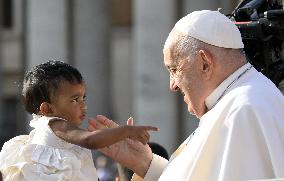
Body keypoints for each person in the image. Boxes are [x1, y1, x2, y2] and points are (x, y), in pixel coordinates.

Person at [89, 10, 284, 181]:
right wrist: (145, 163)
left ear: (204, 63)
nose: (172, 85)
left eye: (174, 69)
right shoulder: (232, 103)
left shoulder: (246, 110)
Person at [0, 60, 158, 180]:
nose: (83, 105)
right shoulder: (56, 124)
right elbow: (89, 140)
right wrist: (126, 131)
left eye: (84, 98)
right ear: (47, 109)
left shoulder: (43, 131)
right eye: (75, 100)